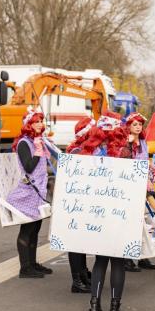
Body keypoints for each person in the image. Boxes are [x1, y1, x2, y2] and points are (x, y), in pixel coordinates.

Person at [81, 111, 128, 311]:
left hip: (96, 213)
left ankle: (94, 307)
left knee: (100, 260)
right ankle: (114, 309)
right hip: (119, 212)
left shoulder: (89, 152)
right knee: (117, 261)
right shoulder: (123, 152)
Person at [7, 107, 53, 278]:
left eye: (41, 121)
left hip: (38, 192)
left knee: (36, 228)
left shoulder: (36, 141)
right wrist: (38, 151)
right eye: (37, 122)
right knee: (27, 228)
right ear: (29, 125)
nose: (40, 124)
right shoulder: (24, 143)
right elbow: (28, 167)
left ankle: (33, 264)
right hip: (28, 192)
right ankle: (25, 268)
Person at [123, 112, 155, 272]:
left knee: (145, 221)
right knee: (131, 222)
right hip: (130, 185)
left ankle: (144, 256)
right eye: (134, 124)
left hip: (144, 185)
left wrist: (151, 168)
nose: (138, 127)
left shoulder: (143, 142)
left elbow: (144, 161)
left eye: (140, 124)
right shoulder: (125, 143)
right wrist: (129, 145)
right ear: (128, 126)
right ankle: (127, 259)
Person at [66, 117, 95, 293]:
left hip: (84, 204)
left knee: (82, 242)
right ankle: (76, 281)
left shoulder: (86, 150)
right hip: (76, 204)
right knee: (75, 243)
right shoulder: (77, 152)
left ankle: (83, 274)